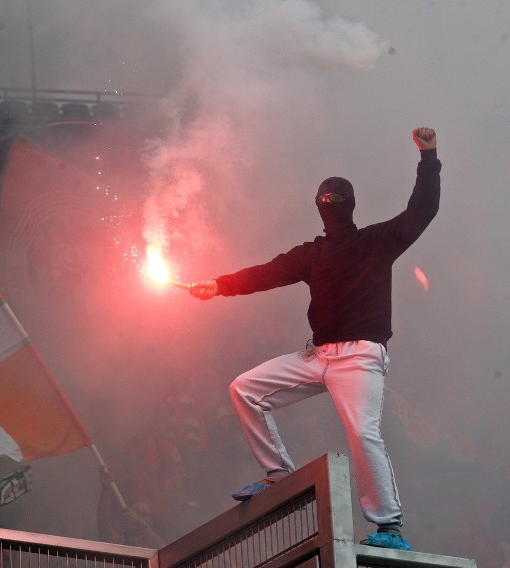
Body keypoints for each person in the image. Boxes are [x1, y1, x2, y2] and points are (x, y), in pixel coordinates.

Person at [188, 127, 442, 551]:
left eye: (334, 202)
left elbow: (423, 209)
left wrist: (428, 156)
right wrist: (218, 285)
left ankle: (389, 527)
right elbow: (266, 273)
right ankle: (279, 477)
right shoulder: (312, 253)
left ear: (349, 206)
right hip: (317, 355)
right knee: (245, 389)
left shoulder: (377, 241)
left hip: (360, 356)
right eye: (324, 202)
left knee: (363, 433)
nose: (329, 208)